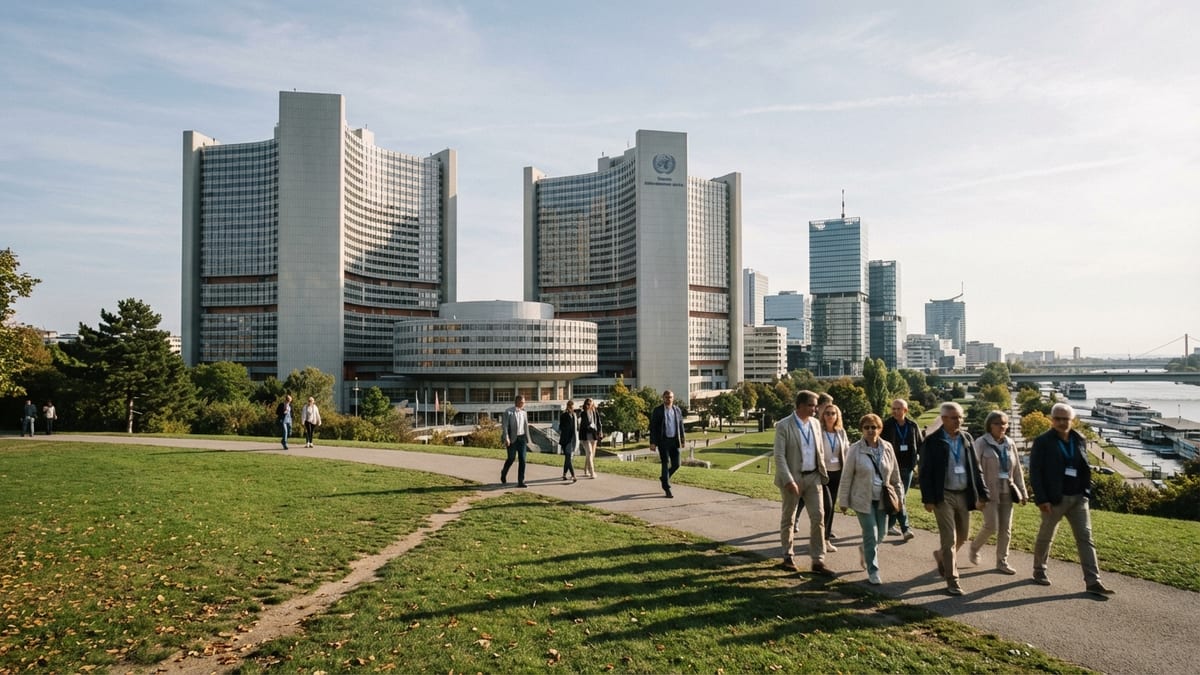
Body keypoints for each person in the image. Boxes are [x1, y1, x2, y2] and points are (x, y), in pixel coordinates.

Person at [1029, 403, 1114, 595]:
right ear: (1052, 420)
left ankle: (1093, 581)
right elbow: (1035, 472)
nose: (1061, 422)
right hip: (1054, 499)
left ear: (1072, 420)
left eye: (1065, 419)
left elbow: (1084, 467)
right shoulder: (1043, 441)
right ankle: (1039, 571)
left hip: (1078, 498)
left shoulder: (1079, 439)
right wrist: (1042, 499)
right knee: (1046, 536)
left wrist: (1086, 492)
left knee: (1086, 538)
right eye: (1057, 418)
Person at [919, 401, 989, 596]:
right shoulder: (932, 442)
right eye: (954, 417)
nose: (958, 421)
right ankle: (952, 580)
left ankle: (941, 556)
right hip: (944, 495)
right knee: (949, 539)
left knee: (964, 535)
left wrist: (983, 494)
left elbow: (975, 468)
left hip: (964, 493)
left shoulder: (966, 438)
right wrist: (928, 499)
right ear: (943, 419)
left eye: (960, 417)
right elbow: (925, 472)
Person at [773, 390, 834, 576]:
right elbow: (779, 456)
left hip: (813, 476)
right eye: (811, 405)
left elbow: (819, 450)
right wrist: (789, 480)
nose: (816, 409)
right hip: (793, 477)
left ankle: (818, 561)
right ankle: (788, 556)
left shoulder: (816, 424)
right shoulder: (784, 426)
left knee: (818, 517)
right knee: (789, 518)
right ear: (800, 405)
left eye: (816, 405)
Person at [840, 413, 904, 585]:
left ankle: (865, 550)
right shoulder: (855, 449)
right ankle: (873, 570)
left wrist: (900, 497)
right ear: (862, 429)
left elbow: (895, 476)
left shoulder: (888, 447)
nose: (870, 430)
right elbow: (846, 477)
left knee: (881, 534)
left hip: (883, 499)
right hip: (862, 499)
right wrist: (843, 501)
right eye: (866, 427)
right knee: (871, 533)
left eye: (873, 427)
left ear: (880, 429)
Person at [968, 410, 1026, 574]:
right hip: (988, 491)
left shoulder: (1010, 443)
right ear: (989, 425)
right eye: (997, 423)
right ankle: (974, 547)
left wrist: (1022, 491)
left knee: (1006, 528)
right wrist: (978, 493)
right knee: (991, 526)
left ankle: (1002, 561)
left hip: (1008, 490)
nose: (1001, 426)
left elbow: (1017, 470)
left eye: (1004, 423)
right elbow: (974, 469)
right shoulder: (981, 443)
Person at [881, 398, 923, 540]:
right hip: (892, 468)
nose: (895, 411)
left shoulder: (912, 425)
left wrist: (919, 463)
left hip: (908, 467)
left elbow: (920, 445)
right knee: (900, 497)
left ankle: (890, 525)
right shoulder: (886, 425)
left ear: (905, 410)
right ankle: (905, 529)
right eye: (893, 408)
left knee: (900, 497)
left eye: (898, 409)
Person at [813, 403, 847, 551]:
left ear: (837, 416)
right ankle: (823, 539)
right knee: (826, 506)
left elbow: (846, 450)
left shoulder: (841, 432)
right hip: (823, 473)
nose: (830, 416)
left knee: (831, 507)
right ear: (823, 415)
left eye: (833, 413)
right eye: (827, 413)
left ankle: (825, 537)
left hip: (838, 472)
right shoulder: (818, 431)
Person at [649, 390, 685, 498]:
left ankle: (664, 477)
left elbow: (681, 425)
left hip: (674, 440)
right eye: (666, 397)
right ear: (663, 398)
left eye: (670, 397)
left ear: (673, 398)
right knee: (665, 462)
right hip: (663, 441)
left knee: (677, 464)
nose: (668, 399)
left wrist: (682, 439)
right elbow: (653, 428)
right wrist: (653, 442)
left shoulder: (677, 410)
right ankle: (667, 488)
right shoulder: (658, 411)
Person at [501, 394, 529, 488]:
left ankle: (521, 481)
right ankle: (503, 473)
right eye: (522, 402)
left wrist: (528, 439)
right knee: (511, 458)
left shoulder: (524, 412)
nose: (523, 404)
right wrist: (506, 438)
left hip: (522, 439)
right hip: (512, 439)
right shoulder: (508, 412)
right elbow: (504, 426)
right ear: (517, 402)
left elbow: (526, 426)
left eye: (524, 402)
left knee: (523, 460)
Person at [578, 398, 603, 479]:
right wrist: (589, 426)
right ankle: (592, 472)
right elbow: (584, 424)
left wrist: (600, 432)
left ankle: (586, 470)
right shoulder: (583, 413)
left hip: (593, 435)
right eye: (587, 404)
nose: (589, 405)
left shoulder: (595, 412)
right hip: (585, 436)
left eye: (590, 403)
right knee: (589, 453)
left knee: (591, 455)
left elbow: (599, 423)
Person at [559, 400, 579, 483]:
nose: (572, 408)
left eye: (573, 407)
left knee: (568, 458)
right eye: (570, 407)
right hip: (565, 439)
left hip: (572, 439)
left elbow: (577, 427)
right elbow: (561, 427)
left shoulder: (574, 415)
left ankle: (564, 474)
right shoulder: (563, 415)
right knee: (568, 458)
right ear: (568, 407)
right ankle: (573, 475)